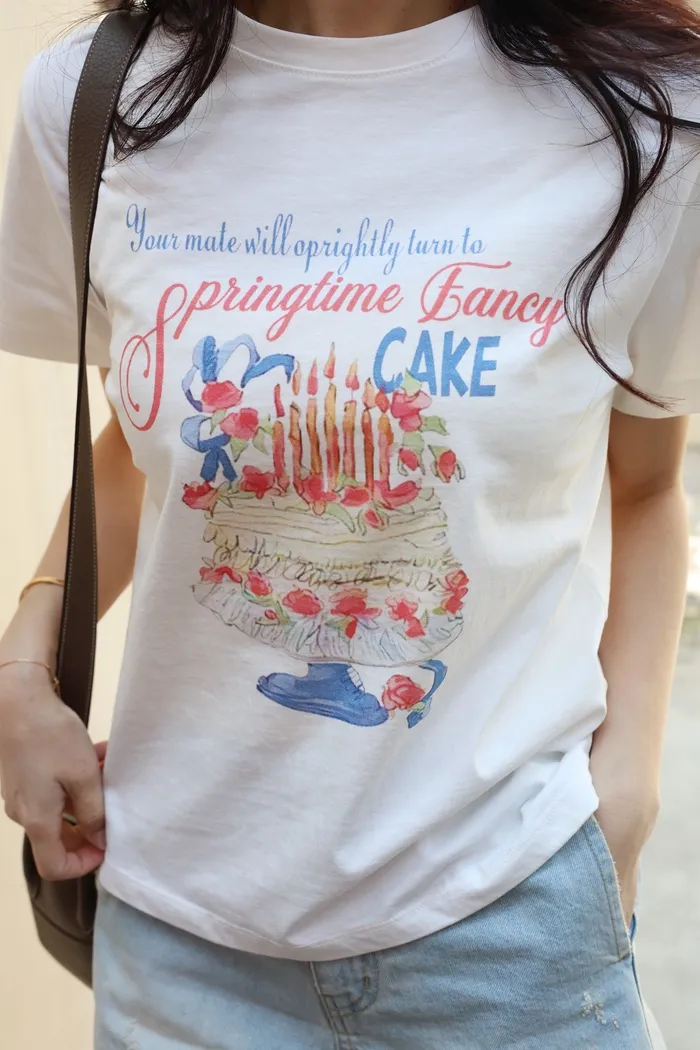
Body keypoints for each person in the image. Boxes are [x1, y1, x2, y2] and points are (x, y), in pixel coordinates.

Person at [0, 0, 698, 1045]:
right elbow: (144, 446)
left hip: (509, 917)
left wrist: (627, 791)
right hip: (178, 934)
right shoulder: (99, 97)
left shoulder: (651, 115)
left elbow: (643, 485)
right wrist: (23, 664)